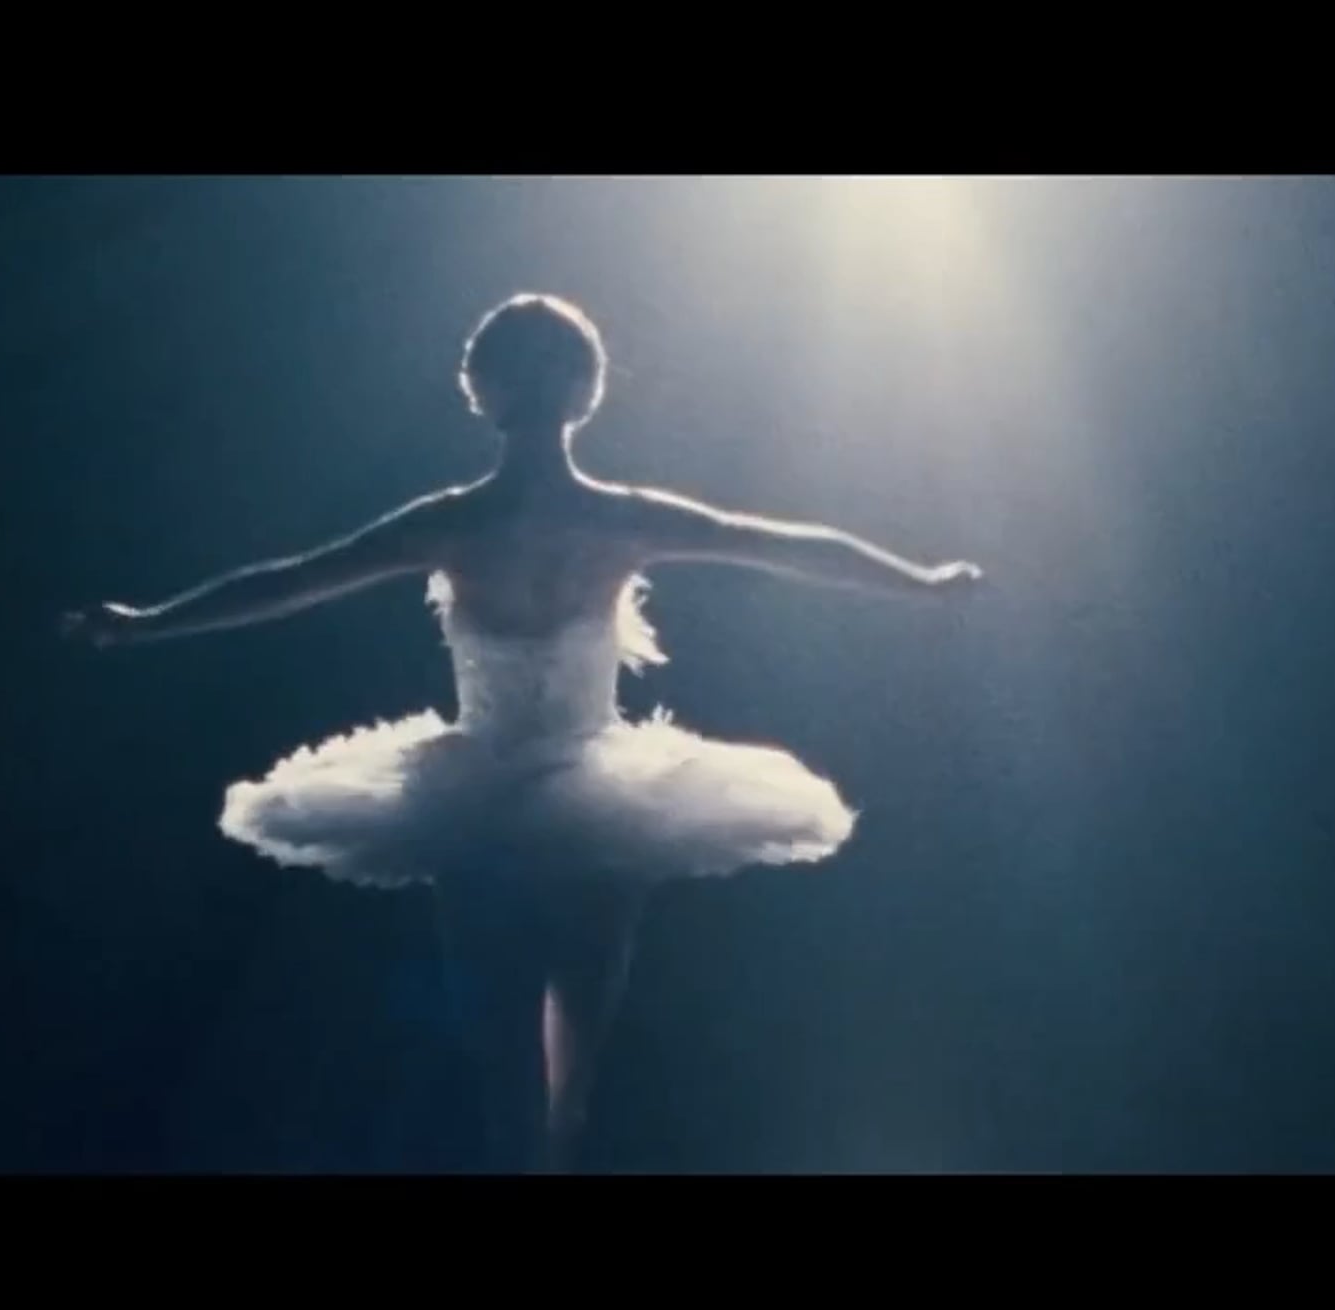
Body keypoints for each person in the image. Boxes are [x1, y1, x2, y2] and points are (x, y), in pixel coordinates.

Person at [64, 293, 983, 1172]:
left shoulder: (462, 522)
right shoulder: (603, 517)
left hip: (513, 797)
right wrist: (920, 582)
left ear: (486, 390)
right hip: (568, 797)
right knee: (556, 1074)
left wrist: (146, 624)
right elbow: (782, 545)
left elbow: (292, 580)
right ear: (581, 391)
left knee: (517, 1066)